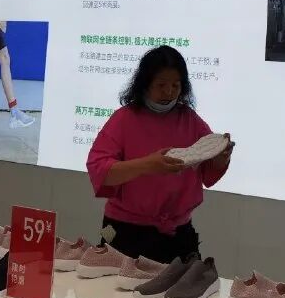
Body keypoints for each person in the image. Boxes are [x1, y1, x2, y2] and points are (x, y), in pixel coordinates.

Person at [86, 46, 234, 263]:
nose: (169, 92)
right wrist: (148, 165)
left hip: (178, 232)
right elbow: (99, 170)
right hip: (127, 231)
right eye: (161, 85)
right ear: (145, 84)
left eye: (176, 85)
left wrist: (221, 157)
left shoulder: (189, 119)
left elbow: (208, 171)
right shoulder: (124, 119)